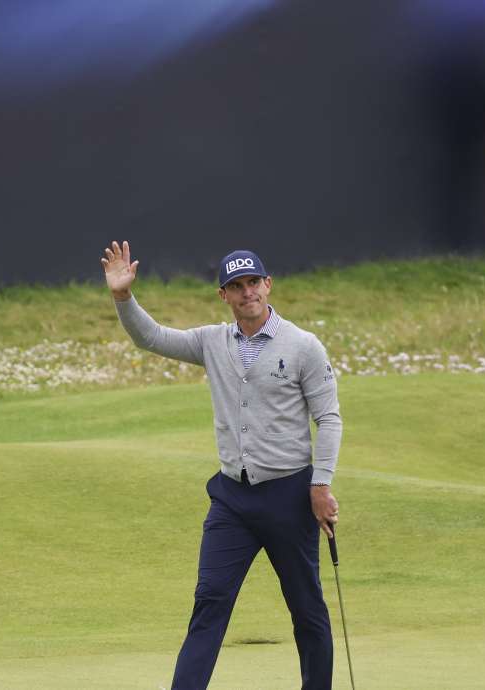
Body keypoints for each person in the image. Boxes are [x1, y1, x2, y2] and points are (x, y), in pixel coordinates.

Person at [101, 243, 342, 689]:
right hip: (233, 500)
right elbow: (151, 337)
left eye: (254, 282)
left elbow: (328, 418)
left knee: (306, 608)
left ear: (268, 285)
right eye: (237, 286)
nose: (247, 292)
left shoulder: (303, 346)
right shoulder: (213, 341)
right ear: (224, 295)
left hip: (290, 497)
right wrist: (123, 297)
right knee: (209, 601)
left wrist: (320, 485)